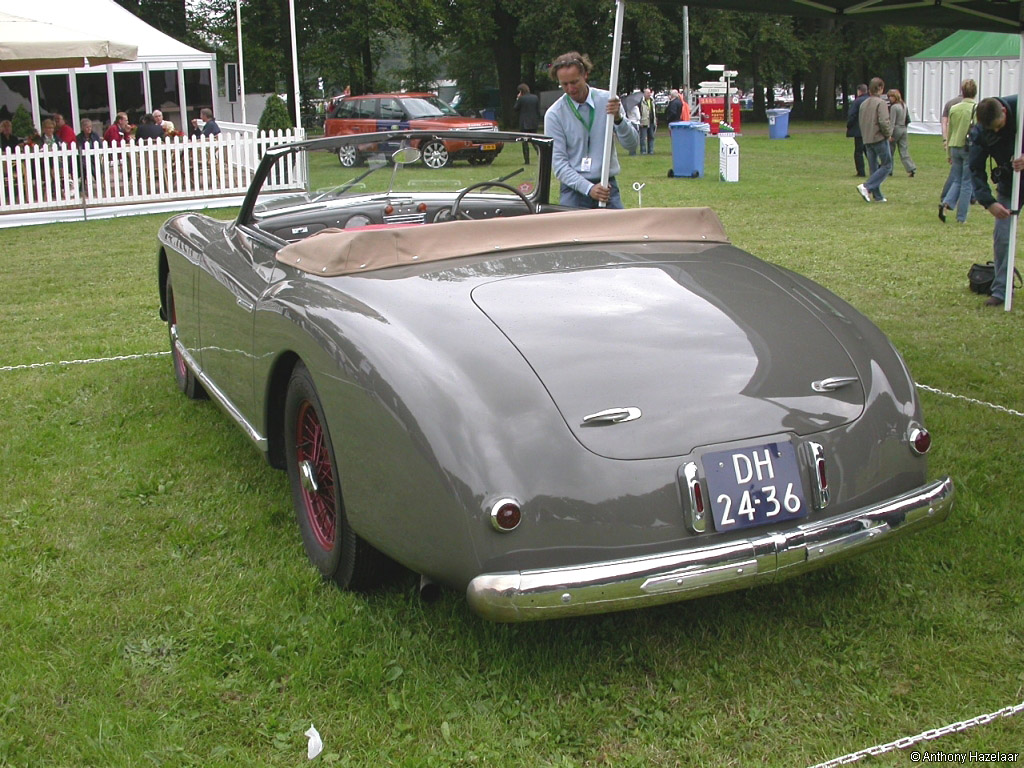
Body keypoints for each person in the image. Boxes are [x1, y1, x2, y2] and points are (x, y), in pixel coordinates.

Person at [543, 51, 638, 209]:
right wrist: (589, 189)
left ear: (585, 75)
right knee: (571, 232)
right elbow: (559, 165)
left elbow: (632, 145)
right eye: (564, 84)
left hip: (607, 186)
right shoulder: (554, 115)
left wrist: (618, 119)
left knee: (618, 232)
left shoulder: (609, 101)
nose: (570, 89)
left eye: (574, 82)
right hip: (573, 189)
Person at [969, 95, 1024, 307]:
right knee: (1002, 237)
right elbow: (975, 168)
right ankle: (1001, 289)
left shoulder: (1021, 106)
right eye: (992, 129)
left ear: (1003, 110)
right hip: (1009, 185)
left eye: (999, 126)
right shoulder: (981, 132)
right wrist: (989, 202)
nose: (996, 132)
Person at [939, 80, 977, 224]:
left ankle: (946, 203)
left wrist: (948, 151)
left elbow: (950, 131)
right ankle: (961, 217)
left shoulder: (954, 108)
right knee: (967, 182)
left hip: (954, 145)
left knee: (957, 179)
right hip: (968, 147)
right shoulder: (976, 108)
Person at [855, 78, 892, 203]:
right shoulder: (880, 103)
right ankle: (867, 186)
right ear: (880, 88)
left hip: (867, 138)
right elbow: (883, 121)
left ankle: (878, 195)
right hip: (878, 137)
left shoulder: (863, 103)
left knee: (873, 167)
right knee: (887, 165)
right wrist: (888, 134)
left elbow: (861, 121)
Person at [940, 85, 969, 204]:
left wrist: (945, 139)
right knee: (964, 177)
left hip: (953, 142)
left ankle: (947, 198)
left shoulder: (950, 104)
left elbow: (945, 123)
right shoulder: (973, 106)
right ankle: (947, 198)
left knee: (957, 175)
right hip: (966, 144)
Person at [887, 89, 916, 177]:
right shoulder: (904, 105)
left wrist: (889, 134)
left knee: (890, 151)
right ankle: (911, 168)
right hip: (903, 129)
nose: (889, 99)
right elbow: (908, 119)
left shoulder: (894, 107)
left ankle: (889, 169)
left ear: (895, 97)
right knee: (904, 150)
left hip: (896, 129)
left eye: (890, 97)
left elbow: (892, 122)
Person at [513, 83, 540, 163]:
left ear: (521, 91)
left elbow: (515, 108)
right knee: (534, 141)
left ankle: (527, 160)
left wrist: (518, 99)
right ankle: (540, 154)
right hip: (533, 122)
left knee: (525, 142)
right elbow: (537, 110)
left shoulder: (522, 99)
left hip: (524, 123)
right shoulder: (535, 98)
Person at [846, 84, 869, 177]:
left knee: (858, 151)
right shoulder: (871, 100)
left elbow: (852, 115)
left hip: (859, 129)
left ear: (859, 91)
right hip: (870, 129)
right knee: (868, 150)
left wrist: (849, 125)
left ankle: (861, 171)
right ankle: (877, 167)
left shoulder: (857, 102)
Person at [639, 88, 656, 154]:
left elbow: (653, 111)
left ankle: (651, 151)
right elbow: (639, 112)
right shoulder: (641, 101)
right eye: (647, 93)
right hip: (644, 122)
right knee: (643, 138)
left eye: (649, 93)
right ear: (644, 94)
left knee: (651, 137)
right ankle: (643, 151)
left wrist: (655, 121)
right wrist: (640, 121)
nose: (649, 94)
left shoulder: (652, 101)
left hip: (651, 122)